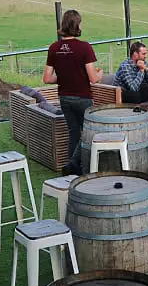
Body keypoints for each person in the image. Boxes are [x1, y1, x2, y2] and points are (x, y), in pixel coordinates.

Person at [43, 10, 103, 175]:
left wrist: (63, 77)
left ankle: (72, 169)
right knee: (89, 132)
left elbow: (47, 78)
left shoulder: (54, 48)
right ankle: (74, 164)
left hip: (64, 98)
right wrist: (99, 74)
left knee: (74, 132)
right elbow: (93, 78)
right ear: (77, 25)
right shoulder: (85, 47)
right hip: (83, 97)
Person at [113, 42, 148, 111]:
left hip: (138, 91)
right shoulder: (125, 66)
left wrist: (146, 69)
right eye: (143, 54)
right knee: (135, 95)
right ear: (135, 54)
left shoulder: (143, 62)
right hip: (122, 93)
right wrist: (141, 70)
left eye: (146, 53)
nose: (146, 56)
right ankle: (137, 116)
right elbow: (133, 88)